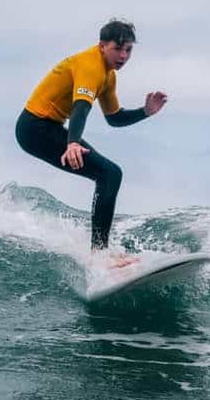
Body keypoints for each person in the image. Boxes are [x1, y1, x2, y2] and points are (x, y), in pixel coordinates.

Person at [15, 19, 167, 267]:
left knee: (109, 175)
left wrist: (145, 112)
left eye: (128, 50)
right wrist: (73, 143)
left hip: (46, 127)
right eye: (117, 49)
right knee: (110, 174)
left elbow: (114, 118)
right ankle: (99, 254)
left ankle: (99, 252)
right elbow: (81, 108)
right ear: (102, 46)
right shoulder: (90, 66)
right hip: (34, 128)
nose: (123, 56)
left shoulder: (108, 76)